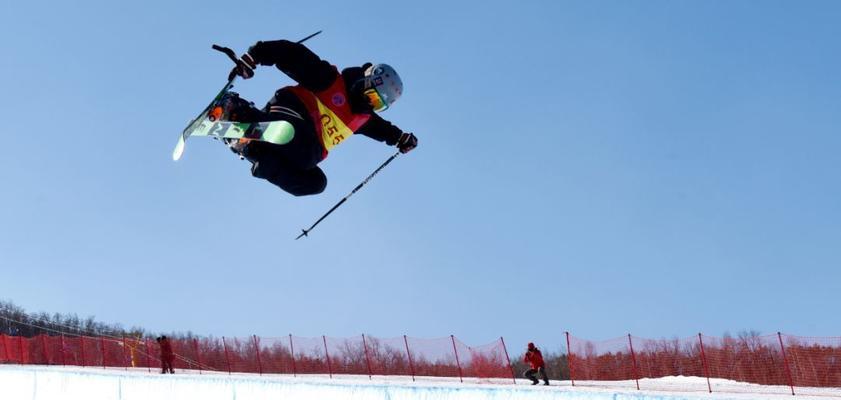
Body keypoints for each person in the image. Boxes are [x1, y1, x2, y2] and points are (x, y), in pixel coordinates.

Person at [219, 39, 418, 196]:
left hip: (300, 147)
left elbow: (384, 130)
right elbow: (292, 54)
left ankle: (252, 148)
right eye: (371, 95)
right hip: (292, 114)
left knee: (315, 183)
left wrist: (400, 139)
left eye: (377, 105)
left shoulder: (363, 118)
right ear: (366, 81)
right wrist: (256, 55)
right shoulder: (330, 80)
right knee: (307, 153)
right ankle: (237, 112)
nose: (370, 103)